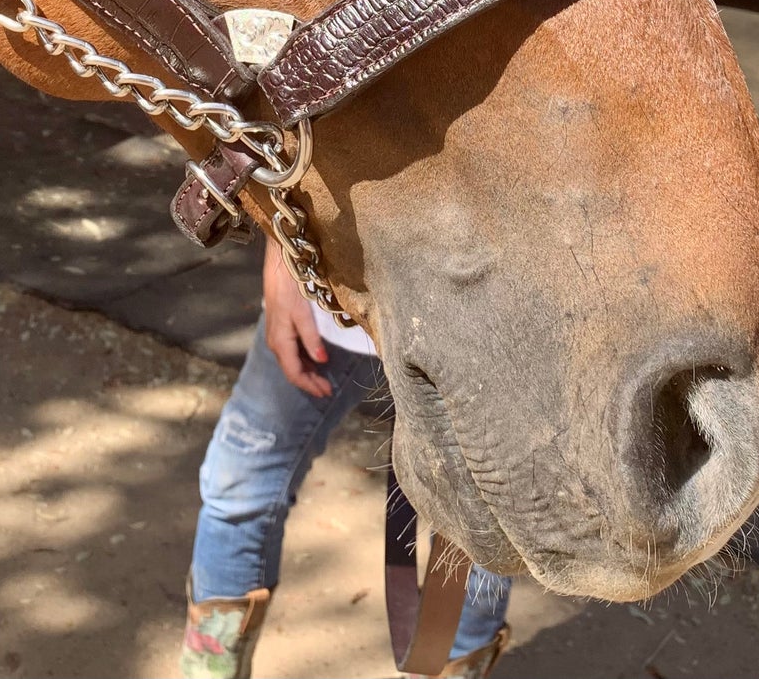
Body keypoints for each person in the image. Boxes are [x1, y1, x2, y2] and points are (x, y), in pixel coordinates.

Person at [180, 238, 511, 679]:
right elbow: (293, 166)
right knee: (238, 485)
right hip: (326, 292)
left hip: (481, 309)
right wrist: (281, 256)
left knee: (479, 524)